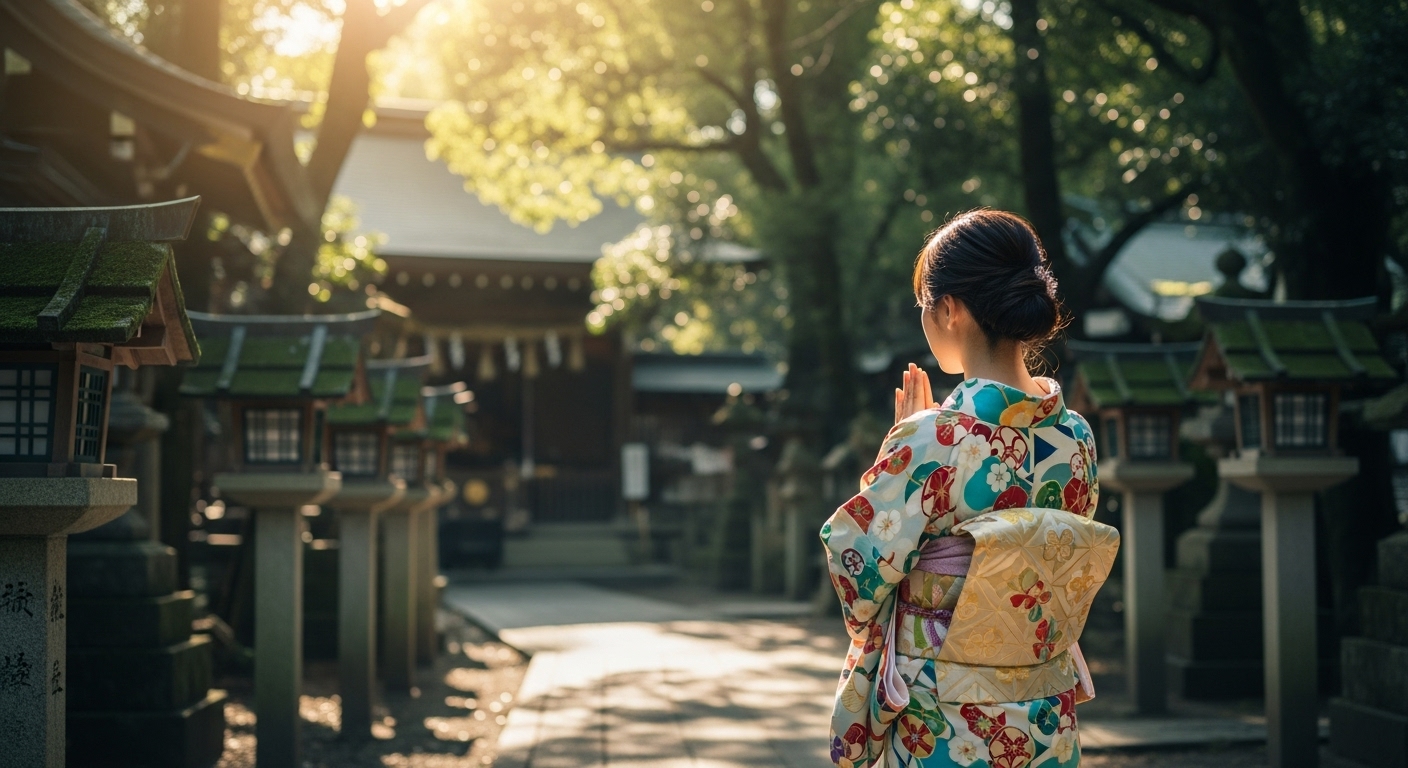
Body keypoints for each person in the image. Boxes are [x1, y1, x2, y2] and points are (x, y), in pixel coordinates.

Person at [822, 210, 1119, 768]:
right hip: (1044, 712)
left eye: (924, 306)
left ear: (951, 308)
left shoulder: (932, 438)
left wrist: (902, 450)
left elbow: (858, 565)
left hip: (944, 713)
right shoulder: (1076, 437)